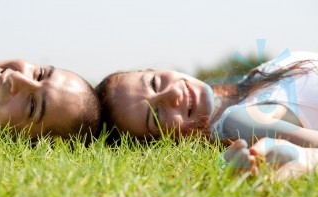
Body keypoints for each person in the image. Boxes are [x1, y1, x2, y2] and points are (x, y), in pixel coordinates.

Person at [95, 51, 318, 177]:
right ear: (162, 141)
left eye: (155, 82)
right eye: (157, 114)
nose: (173, 93)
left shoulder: (241, 86)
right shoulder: (238, 122)